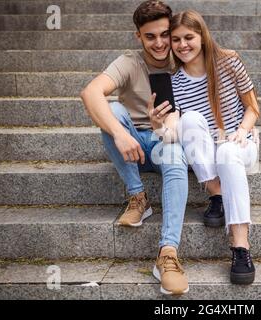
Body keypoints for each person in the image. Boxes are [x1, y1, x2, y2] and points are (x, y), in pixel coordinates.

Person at [80, 0, 189, 295]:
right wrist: (119, 133)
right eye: (150, 36)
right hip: (133, 147)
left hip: (168, 142)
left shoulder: (184, 57)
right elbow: (90, 92)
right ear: (138, 36)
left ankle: (168, 253)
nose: (159, 43)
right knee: (112, 111)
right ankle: (138, 197)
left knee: (175, 152)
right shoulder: (129, 61)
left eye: (165, 34)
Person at [170, 10, 260, 285]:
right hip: (206, 153)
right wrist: (158, 123)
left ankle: (240, 247)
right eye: (176, 39)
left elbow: (253, 107)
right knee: (191, 119)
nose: (183, 45)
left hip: (238, 144)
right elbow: (176, 129)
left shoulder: (229, 62)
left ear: (202, 36)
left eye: (189, 37)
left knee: (227, 152)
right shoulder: (174, 81)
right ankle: (216, 192)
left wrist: (242, 131)